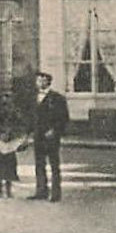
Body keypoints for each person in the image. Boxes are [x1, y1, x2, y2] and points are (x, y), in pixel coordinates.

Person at [30, 70, 70, 202]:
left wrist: (54, 130)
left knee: (54, 165)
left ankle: (55, 194)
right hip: (38, 136)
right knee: (39, 164)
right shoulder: (34, 97)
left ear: (48, 82)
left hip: (51, 137)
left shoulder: (57, 98)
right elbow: (32, 118)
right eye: (38, 80)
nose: (39, 82)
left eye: (42, 80)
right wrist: (30, 133)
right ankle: (41, 191)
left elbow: (63, 118)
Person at [0, 124, 25, 198]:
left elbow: (19, 149)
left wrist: (24, 145)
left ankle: (8, 192)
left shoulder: (13, 144)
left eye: (7, 135)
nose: (5, 137)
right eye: (3, 135)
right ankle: (0, 191)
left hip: (10, 162)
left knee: (9, 178)